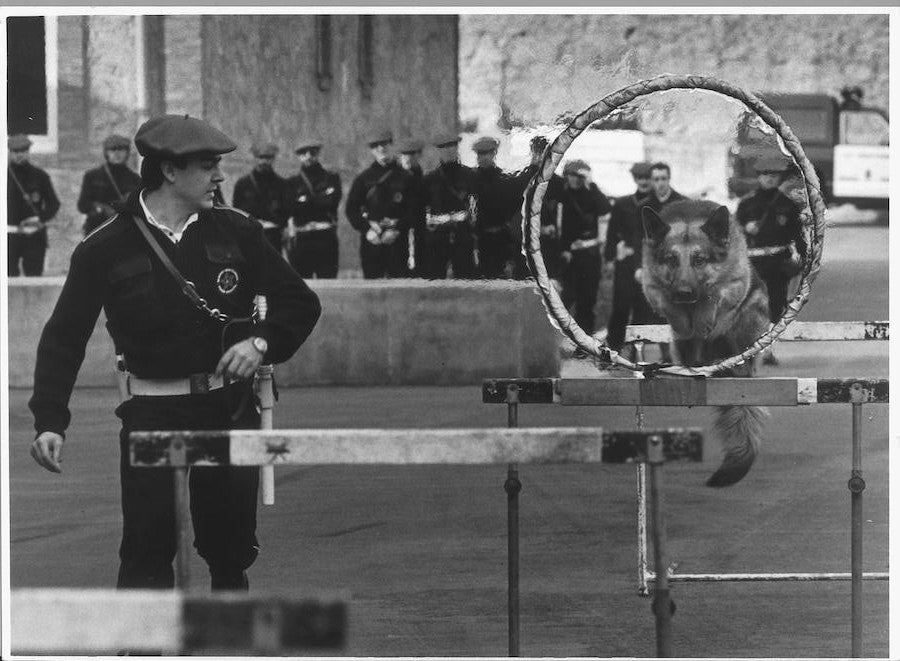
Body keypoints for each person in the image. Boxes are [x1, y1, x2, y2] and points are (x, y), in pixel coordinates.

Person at [28, 114, 322, 591]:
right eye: (207, 166)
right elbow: (64, 337)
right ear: (168, 171)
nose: (219, 176)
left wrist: (260, 342)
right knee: (147, 547)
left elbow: (299, 303)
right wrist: (49, 420)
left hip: (225, 409)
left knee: (229, 549)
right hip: (153, 415)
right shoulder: (104, 247)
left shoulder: (237, 232)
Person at [736, 155, 804, 365]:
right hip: (752, 264)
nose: (769, 179)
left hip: (777, 263)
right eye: (765, 175)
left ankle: (768, 351)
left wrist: (804, 259)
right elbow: (732, 235)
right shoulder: (746, 205)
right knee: (748, 307)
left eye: (773, 175)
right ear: (758, 177)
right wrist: (745, 230)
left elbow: (797, 235)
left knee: (775, 307)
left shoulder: (788, 205)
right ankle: (748, 351)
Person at [345, 130, 413, 278]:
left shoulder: (406, 177)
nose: (381, 149)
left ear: (391, 145)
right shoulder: (363, 179)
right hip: (372, 239)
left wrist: (398, 229)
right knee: (372, 289)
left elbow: (413, 210)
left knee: (399, 288)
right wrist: (367, 230)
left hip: (397, 240)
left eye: (385, 144)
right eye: (376, 146)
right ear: (371, 150)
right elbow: (351, 209)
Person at [604, 162, 655, 353]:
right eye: (639, 177)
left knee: (644, 308)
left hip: (647, 261)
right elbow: (611, 233)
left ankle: (638, 354)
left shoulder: (656, 204)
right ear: (634, 179)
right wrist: (610, 259)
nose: (643, 181)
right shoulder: (622, 203)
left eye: (646, 177)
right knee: (621, 307)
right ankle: (613, 350)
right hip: (626, 261)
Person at [559, 160, 611, 336]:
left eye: (578, 176)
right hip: (568, 254)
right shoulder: (562, 195)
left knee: (587, 300)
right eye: (571, 175)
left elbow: (605, 207)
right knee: (565, 298)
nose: (574, 180)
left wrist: (591, 183)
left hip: (589, 254)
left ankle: (584, 341)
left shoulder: (591, 196)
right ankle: (561, 338)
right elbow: (562, 227)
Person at [508, 135, 565, 280]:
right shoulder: (557, 182)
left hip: (530, 242)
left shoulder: (519, 179)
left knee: (526, 280)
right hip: (541, 242)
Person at [283, 138, 342, 278]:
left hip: (325, 237)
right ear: (298, 156)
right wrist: (321, 200)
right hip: (302, 239)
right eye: (303, 153)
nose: (308, 156)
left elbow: (332, 203)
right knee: (302, 286)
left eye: (312, 152)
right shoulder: (292, 183)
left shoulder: (332, 178)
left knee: (328, 282)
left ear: (318, 153)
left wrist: (305, 202)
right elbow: (291, 209)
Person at [421, 134, 477, 279]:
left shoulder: (469, 175)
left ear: (457, 149)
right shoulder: (430, 179)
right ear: (439, 151)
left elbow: (476, 204)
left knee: (465, 278)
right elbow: (421, 208)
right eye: (444, 148)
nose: (448, 151)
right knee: (435, 277)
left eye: (452, 147)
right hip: (438, 235)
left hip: (462, 233)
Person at [7, 134, 60, 276]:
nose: (19, 155)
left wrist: (39, 219)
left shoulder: (40, 176)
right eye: (15, 152)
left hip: (34, 236)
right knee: (7, 280)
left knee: (34, 277)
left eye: (22, 152)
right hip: (9, 237)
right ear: (10, 152)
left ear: (28, 152)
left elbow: (54, 204)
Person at [77, 134, 142, 235]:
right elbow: (82, 205)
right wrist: (102, 209)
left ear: (127, 153)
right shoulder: (92, 176)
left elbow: (140, 208)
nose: (117, 154)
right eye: (112, 150)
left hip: (124, 231)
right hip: (97, 229)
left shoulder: (134, 179)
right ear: (106, 153)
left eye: (121, 150)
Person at [232, 141, 289, 251]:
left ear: (273, 159)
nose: (264, 162)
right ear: (255, 158)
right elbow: (236, 212)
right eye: (260, 157)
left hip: (273, 236)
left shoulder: (281, 184)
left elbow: (286, 211)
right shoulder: (243, 184)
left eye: (268, 158)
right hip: (249, 236)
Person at [471, 136, 514, 278]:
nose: (482, 158)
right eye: (479, 154)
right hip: (478, 237)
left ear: (494, 154)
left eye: (486, 154)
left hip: (500, 236)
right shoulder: (471, 178)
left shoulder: (504, 179)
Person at [396, 139, 427, 276]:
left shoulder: (423, 179)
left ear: (418, 155)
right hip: (399, 227)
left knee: (421, 264)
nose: (408, 158)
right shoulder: (393, 179)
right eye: (404, 154)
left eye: (412, 154)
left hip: (419, 225)